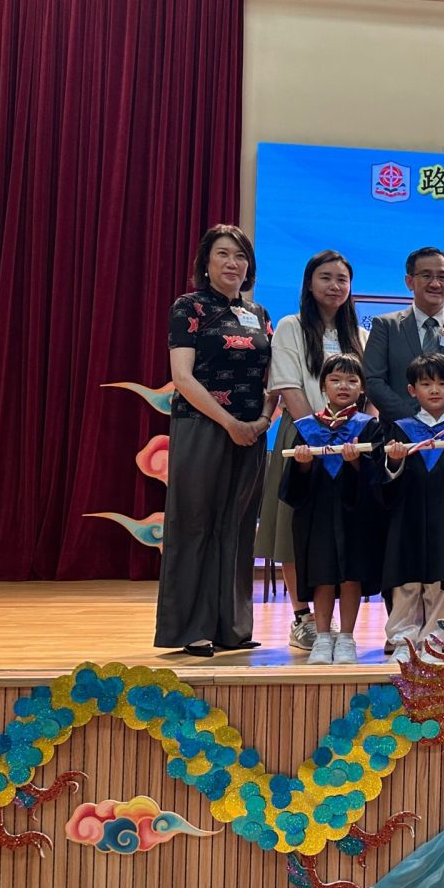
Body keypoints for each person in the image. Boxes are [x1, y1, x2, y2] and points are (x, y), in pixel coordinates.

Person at [155, 225, 274, 658]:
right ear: (206, 262)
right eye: (223, 254)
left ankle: (233, 627)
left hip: (251, 433)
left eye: (240, 256)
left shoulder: (258, 313)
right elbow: (183, 378)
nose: (232, 263)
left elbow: (272, 379)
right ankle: (193, 628)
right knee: (195, 523)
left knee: (238, 527)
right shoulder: (189, 306)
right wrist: (228, 422)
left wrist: (262, 421)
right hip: (202, 426)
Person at [258, 250, 368, 653]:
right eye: (325, 277)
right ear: (309, 283)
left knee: (345, 529)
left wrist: (361, 430)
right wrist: (319, 434)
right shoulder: (290, 326)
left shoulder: (361, 336)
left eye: (342, 279)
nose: (334, 286)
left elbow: (369, 393)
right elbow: (288, 386)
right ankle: (303, 618)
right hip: (303, 435)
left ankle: (341, 625)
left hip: (352, 441)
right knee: (295, 525)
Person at [281, 355, 385, 665]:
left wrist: (356, 463)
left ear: (362, 388)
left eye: (352, 381)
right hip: (318, 513)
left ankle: (347, 637)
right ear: (323, 386)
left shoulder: (369, 427)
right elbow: (292, 487)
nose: (344, 386)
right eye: (336, 380)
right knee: (322, 573)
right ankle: (323, 637)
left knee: (351, 573)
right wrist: (302, 465)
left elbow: (376, 479)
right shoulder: (307, 427)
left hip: (355, 514)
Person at [379, 353, 444, 663]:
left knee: (440, 581)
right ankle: (403, 639)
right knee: (406, 580)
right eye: (426, 384)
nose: (434, 390)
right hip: (406, 516)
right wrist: (394, 461)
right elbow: (384, 482)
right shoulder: (401, 429)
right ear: (412, 390)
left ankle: (436, 640)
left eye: (442, 383)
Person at [363, 247, 444, 424]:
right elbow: (374, 381)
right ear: (409, 281)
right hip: (398, 433)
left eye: (442, 277)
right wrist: (413, 423)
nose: (435, 284)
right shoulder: (386, 326)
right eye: (426, 276)